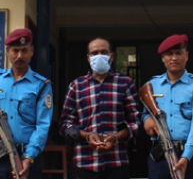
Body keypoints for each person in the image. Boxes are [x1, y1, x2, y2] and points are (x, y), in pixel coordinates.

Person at [0, 28, 53, 179]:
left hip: (27, 157)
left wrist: (28, 157)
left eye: (24, 50)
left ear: (32, 51)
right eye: (15, 50)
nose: (20, 55)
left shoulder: (41, 85)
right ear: (8, 51)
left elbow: (42, 125)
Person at [60, 38, 143, 179]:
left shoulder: (125, 83)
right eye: (94, 53)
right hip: (84, 164)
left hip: (117, 163)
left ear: (112, 56)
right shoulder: (76, 86)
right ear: (88, 58)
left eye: (104, 52)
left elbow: (136, 122)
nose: (99, 56)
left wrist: (116, 137)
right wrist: (86, 136)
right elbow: (65, 125)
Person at [143, 34, 193, 179]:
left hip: (187, 153)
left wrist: (186, 156)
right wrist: (146, 119)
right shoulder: (152, 85)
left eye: (179, 53)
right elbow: (146, 112)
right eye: (169, 54)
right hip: (159, 155)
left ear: (187, 56)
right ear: (163, 58)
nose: (174, 58)